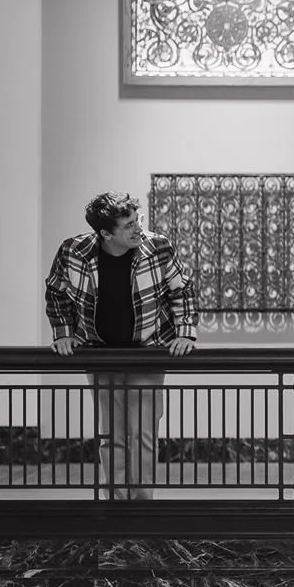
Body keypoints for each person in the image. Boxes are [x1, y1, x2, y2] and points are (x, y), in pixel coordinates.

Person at [44, 192, 198, 500]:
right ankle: (115, 503)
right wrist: (63, 333)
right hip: (101, 353)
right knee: (110, 434)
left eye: (137, 220)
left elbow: (183, 289)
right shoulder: (73, 251)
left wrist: (184, 333)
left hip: (149, 351)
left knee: (143, 432)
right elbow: (56, 291)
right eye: (128, 225)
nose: (137, 228)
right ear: (105, 233)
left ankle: (141, 507)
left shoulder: (159, 248)